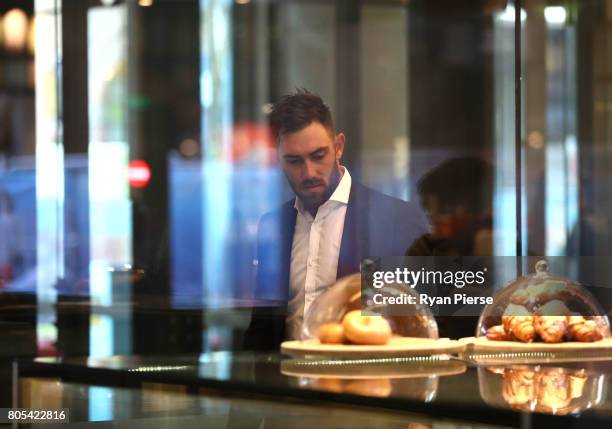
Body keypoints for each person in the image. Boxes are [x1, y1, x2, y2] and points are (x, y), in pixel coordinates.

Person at [243, 89, 428, 350]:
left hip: (362, 380)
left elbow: (418, 324)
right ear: (278, 159)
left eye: (318, 156)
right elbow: (262, 327)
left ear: (338, 146)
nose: (309, 172)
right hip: (287, 379)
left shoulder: (396, 219)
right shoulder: (273, 224)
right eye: (294, 161)